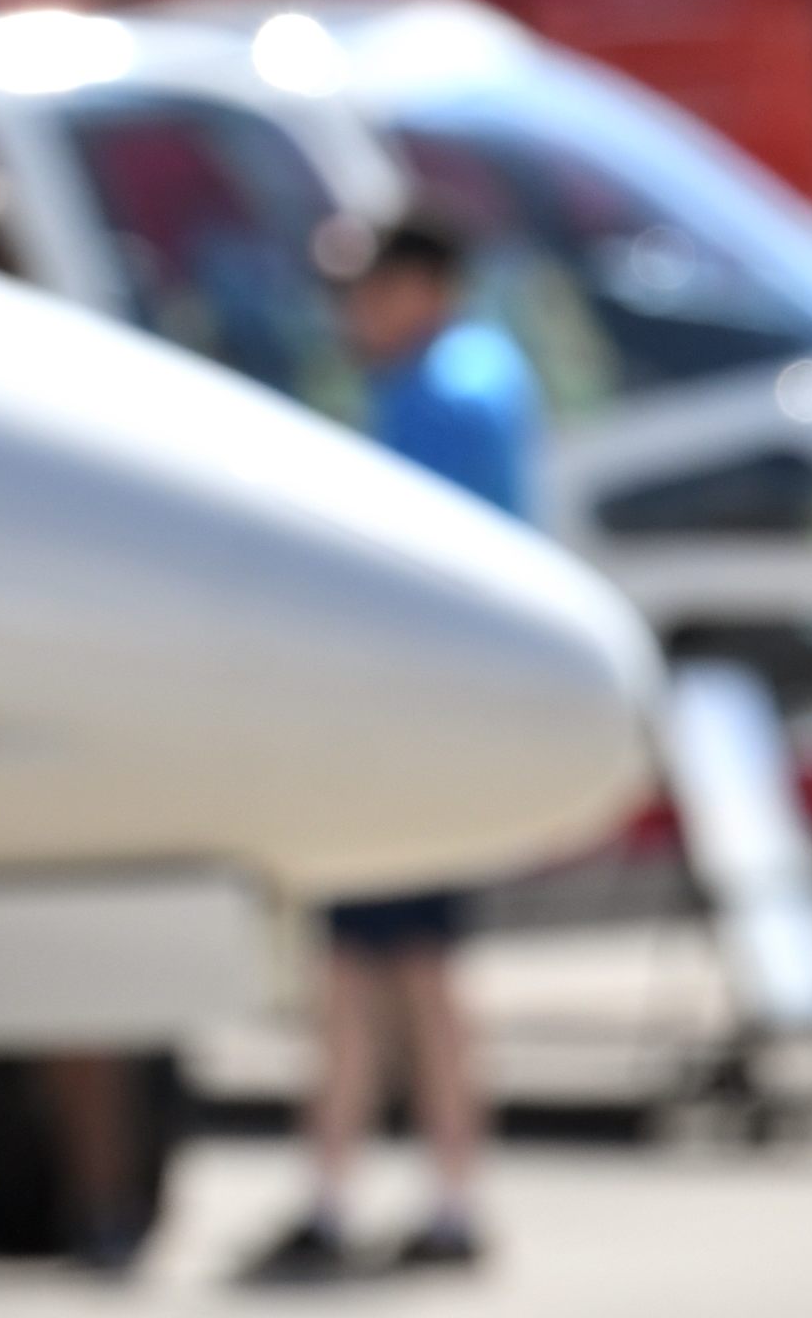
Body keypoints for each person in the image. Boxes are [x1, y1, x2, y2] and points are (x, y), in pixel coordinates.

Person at [244, 218, 538, 1284]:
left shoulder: (443, 394)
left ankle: (380, 1193)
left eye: (366, 292)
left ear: (422, 286)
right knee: (386, 971)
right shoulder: (468, 378)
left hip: (412, 722)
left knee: (389, 971)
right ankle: (416, 1191)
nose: (348, 316)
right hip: (433, 718)